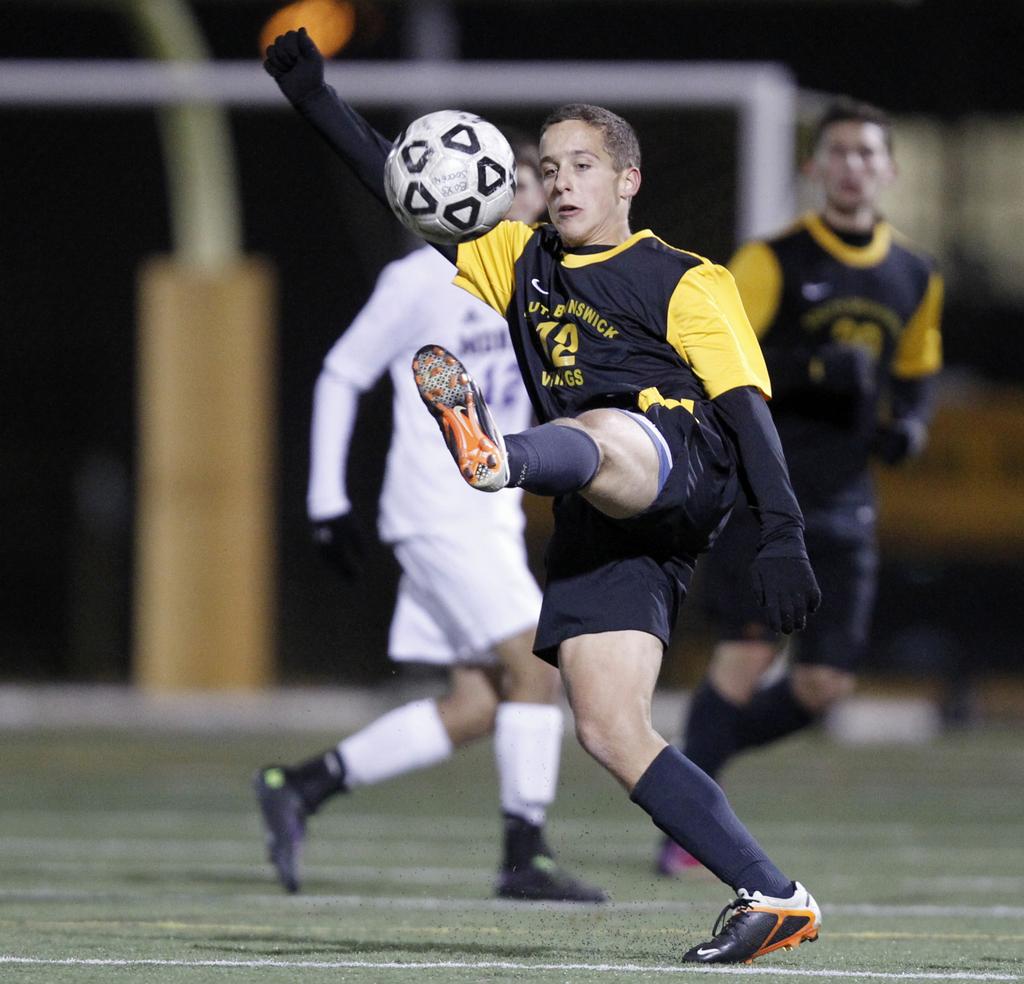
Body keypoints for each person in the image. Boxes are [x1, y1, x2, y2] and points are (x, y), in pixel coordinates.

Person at [264, 28, 823, 965]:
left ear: (627, 181)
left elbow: (745, 410)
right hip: (604, 517)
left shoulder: (685, 278)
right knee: (608, 728)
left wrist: (784, 532)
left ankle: (496, 455)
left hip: (675, 459)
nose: (561, 183)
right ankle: (773, 895)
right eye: (550, 167)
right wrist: (317, 101)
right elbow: (393, 187)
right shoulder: (518, 261)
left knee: (607, 427)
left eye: (582, 167)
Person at [254, 137, 607, 904]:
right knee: (539, 665)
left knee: (481, 703)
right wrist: (325, 501)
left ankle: (300, 786)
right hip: (437, 511)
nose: (531, 194)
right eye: (514, 180)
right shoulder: (419, 278)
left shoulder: (539, 281)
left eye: (538, 182)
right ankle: (526, 858)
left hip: (491, 516)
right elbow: (342, 372)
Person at [657, 98, 943, 877]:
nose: (853, 166)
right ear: (815, 168)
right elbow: (713, 358)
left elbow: (917, 373)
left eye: (867, 154)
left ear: (888, 169)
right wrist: (816, 370)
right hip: (764, 488)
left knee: (821, 686)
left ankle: (685, 774)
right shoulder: (773, 259)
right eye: (839, 153)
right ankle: (686, 825)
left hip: (848, 498)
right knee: (746, 653)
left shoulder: (914, 272)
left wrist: (910, 424)